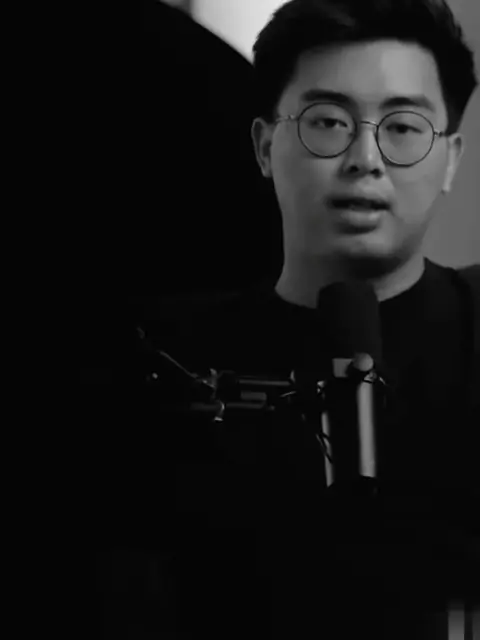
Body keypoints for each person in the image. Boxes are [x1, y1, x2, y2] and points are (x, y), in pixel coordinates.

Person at [104, 1, 480, 638]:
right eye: (328, 121)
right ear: (263, 146)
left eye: (403, 126)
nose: (365, 158)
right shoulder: (163, 356)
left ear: (451, 160)